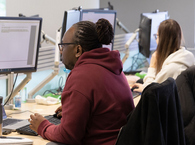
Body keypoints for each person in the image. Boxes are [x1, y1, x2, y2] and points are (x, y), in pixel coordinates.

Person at [29, 18, 135, 145]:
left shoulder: (81, 76)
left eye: (63, 45)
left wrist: (42, 126)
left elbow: (67, 136)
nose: (61, 51)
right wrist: (76, 111)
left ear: (78, 50)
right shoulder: (113, 67)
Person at [131, 19, 194, 93]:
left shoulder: (172, 68)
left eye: (157, 36)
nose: (156, 40)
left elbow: (150, 91)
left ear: (163, 40)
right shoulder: (187, 56)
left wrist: (152, 66)